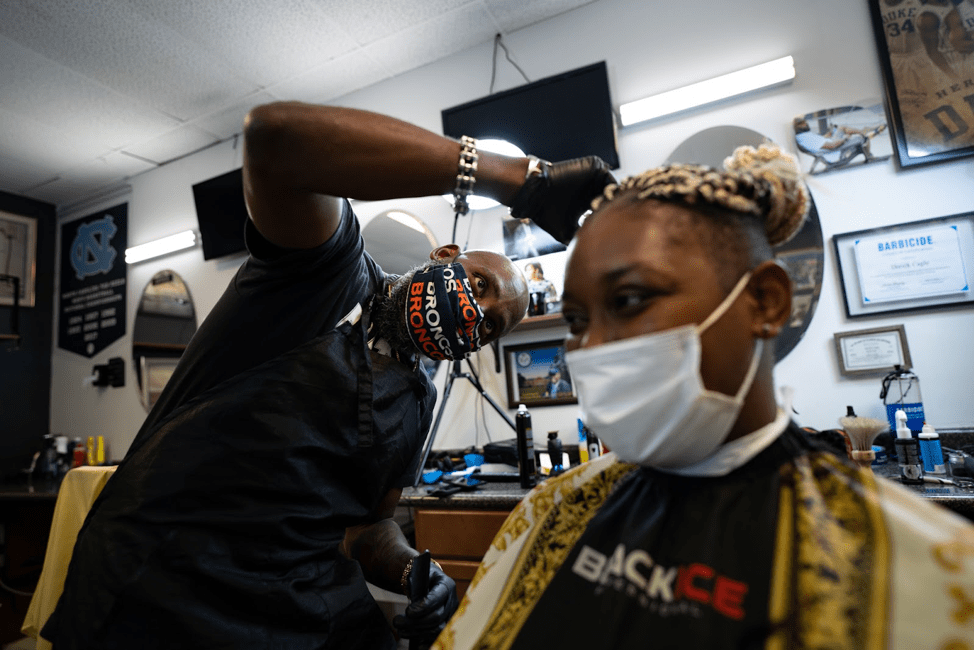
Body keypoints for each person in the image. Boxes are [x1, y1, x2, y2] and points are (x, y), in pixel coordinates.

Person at [40, 101, 614, 650]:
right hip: (161, 583)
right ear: (444, 255)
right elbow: (275, 138)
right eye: (481, 286)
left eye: (489, 326)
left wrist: (414, 570)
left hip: (293, 600)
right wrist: (514, 179)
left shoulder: (417, 400)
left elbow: (368, 530)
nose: (475, 313)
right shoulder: (326, 271)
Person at [432, 144, 974, 649]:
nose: (590, 347)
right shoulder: (550, 512)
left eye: (630, 299)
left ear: (765, 302)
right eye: (576, 320)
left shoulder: (935, 574)